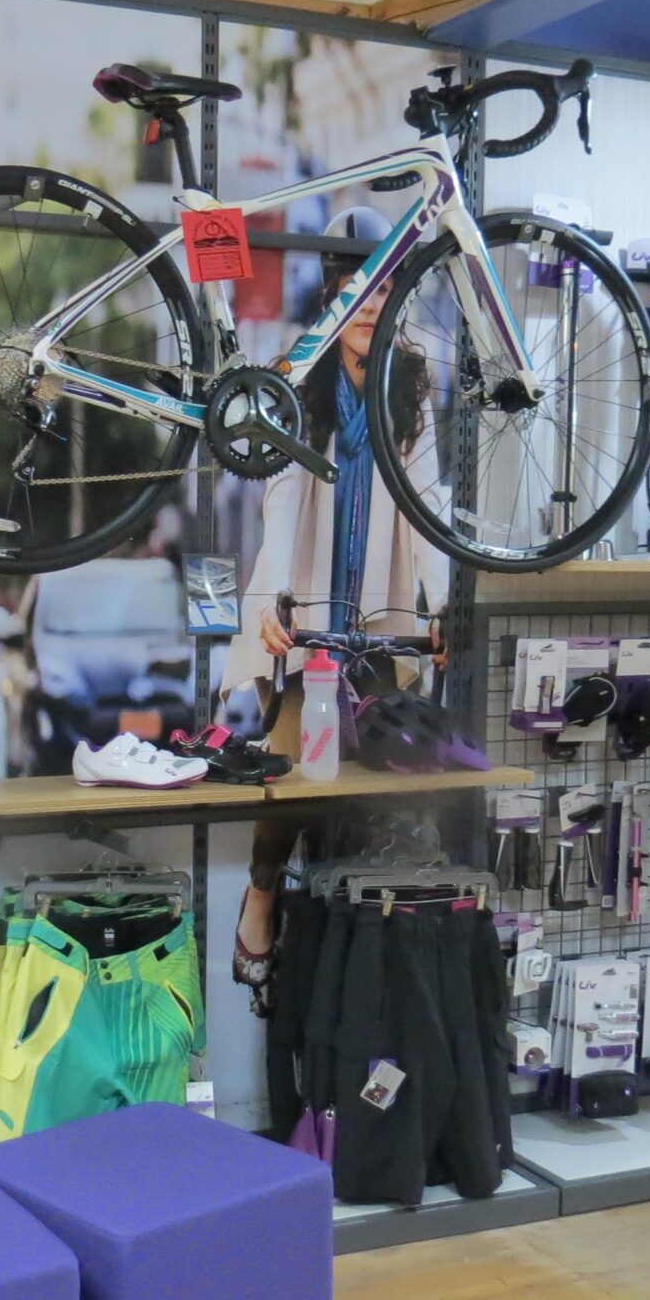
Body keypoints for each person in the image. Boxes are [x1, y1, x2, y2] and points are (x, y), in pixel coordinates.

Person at [224, 206, 450, 984]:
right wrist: (276, 599)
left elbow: (427, 506)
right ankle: (261, 898)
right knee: (290, 766)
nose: (370, 310)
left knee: (367, 793)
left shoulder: (413, 382)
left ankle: (341, 934)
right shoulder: (302, 376)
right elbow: (280, 500)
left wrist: (443, 607)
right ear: (333, 300)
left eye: (385, 293)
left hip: (379, 614)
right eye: (356, 293)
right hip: (312, 609)